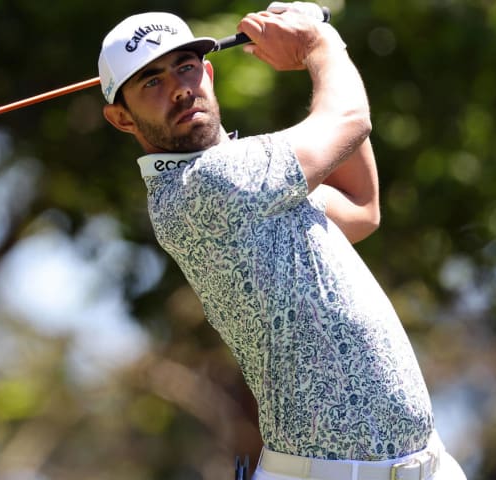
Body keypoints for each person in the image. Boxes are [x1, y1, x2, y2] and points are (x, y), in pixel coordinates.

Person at [98, 3, 467, 480]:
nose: (180, 88)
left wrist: (309, 62)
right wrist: (318, 44)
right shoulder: (209, 184)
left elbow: (360, 208)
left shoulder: (253, 175)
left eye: (186, 67)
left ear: (208, 72)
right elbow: (350, 119)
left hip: (430, 465)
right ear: (122, 119)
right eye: (151, 81)